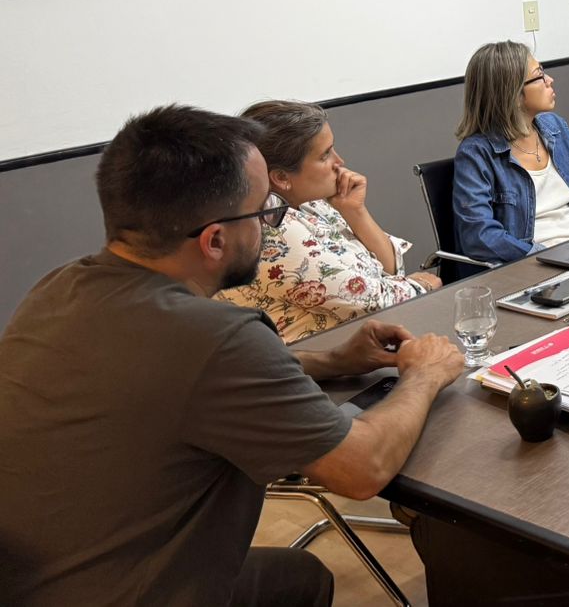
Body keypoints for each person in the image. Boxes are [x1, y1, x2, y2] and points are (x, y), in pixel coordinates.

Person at [0, 105, 465, 607]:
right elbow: (362, 469)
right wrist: (424, 373)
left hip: (36, 578)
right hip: (131, 590)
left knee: (300, 579)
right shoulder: (215, 336)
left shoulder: (58, 288)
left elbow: (182, 379)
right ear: (215, 240)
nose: (272, 225)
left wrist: (335, 361)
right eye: (266, 213)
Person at [216, 101, 441, 341]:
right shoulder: (271, 231)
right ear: (281, 177)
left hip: (359, 347)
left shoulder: (310, 203)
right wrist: (423, 284)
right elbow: (376, 302)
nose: (339, 161)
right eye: (325, 155)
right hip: (316, 370)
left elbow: (391, 270)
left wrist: (355, 211)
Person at [454, 41, 569, 264]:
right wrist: (545, 255)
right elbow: (480, 235)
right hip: (530, 264)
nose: (550, 80)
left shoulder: (555, 127)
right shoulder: (476, 154)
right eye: (539, 76)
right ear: (513, 94)